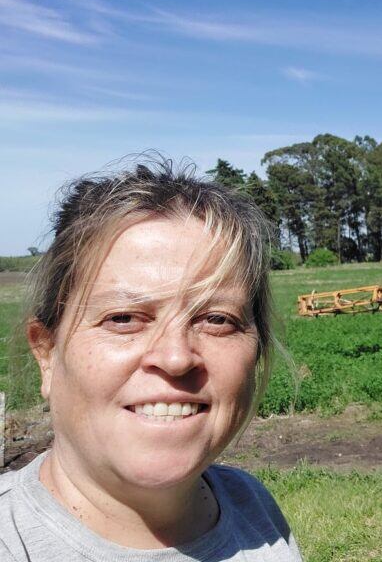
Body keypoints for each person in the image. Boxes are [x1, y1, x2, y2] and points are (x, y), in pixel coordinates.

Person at [0, 157, 303, 560]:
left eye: (216, 319)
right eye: (123, 318)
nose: (176, 357)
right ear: (47, 353)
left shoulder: (252, 509)